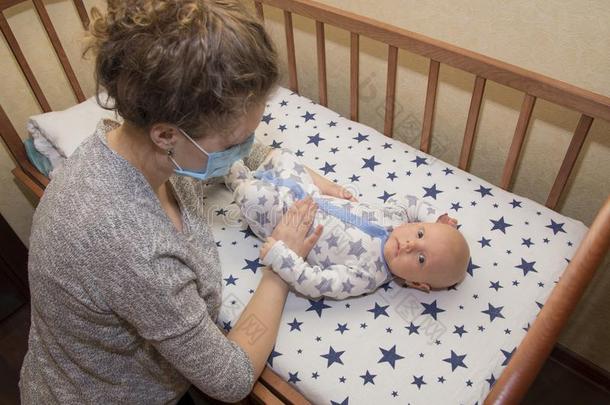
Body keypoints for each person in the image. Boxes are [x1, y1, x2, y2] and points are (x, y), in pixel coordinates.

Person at [19, 1, 352, 403]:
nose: (244, 147)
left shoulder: (139, 147)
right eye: (233, 143)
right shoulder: (129, 244)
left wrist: (298, 174)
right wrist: (283, 263)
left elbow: (238, 146)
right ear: (166, 136)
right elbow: (231, 380)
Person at [225, 148, 470, 299]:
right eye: (420, 233)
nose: (409, 245)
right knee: (282, 156)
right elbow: (412, 202)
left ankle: (234, 176)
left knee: (252, 195)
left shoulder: (367, 274)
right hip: (308, 192)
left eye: (420, 259)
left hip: (282, 219)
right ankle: (245, 161)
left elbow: (316, 283)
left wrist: (282, 255)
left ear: (416, 283)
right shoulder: (398, 218)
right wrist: (437, 217)